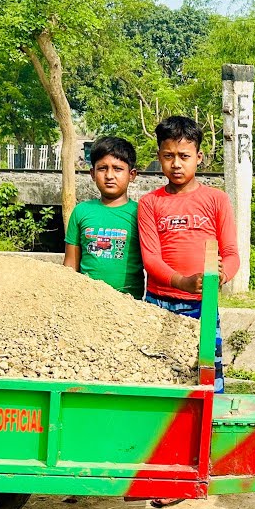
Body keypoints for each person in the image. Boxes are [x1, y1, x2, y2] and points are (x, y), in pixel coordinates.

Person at [137, 116, 239, 394]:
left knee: (206, 375)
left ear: (199, 157)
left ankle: (208, 430)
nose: (176, 163)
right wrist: (182, 282)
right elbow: (151, 259)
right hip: (158, 304)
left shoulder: (217, 200)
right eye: (168, 156)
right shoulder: (150, 203)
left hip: (202, 305)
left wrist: (220, 276)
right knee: (158, 375)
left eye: (184, 155)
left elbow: (231, 253)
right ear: (159, 156)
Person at [63, 136, 145, 299]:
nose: (109, 175)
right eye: (102, 168)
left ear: (132, 174)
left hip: (129, 303)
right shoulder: (81, 211)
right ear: (93, 174)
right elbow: (70, 264)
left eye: (117, 169)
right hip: (87, 301)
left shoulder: (141, 213)